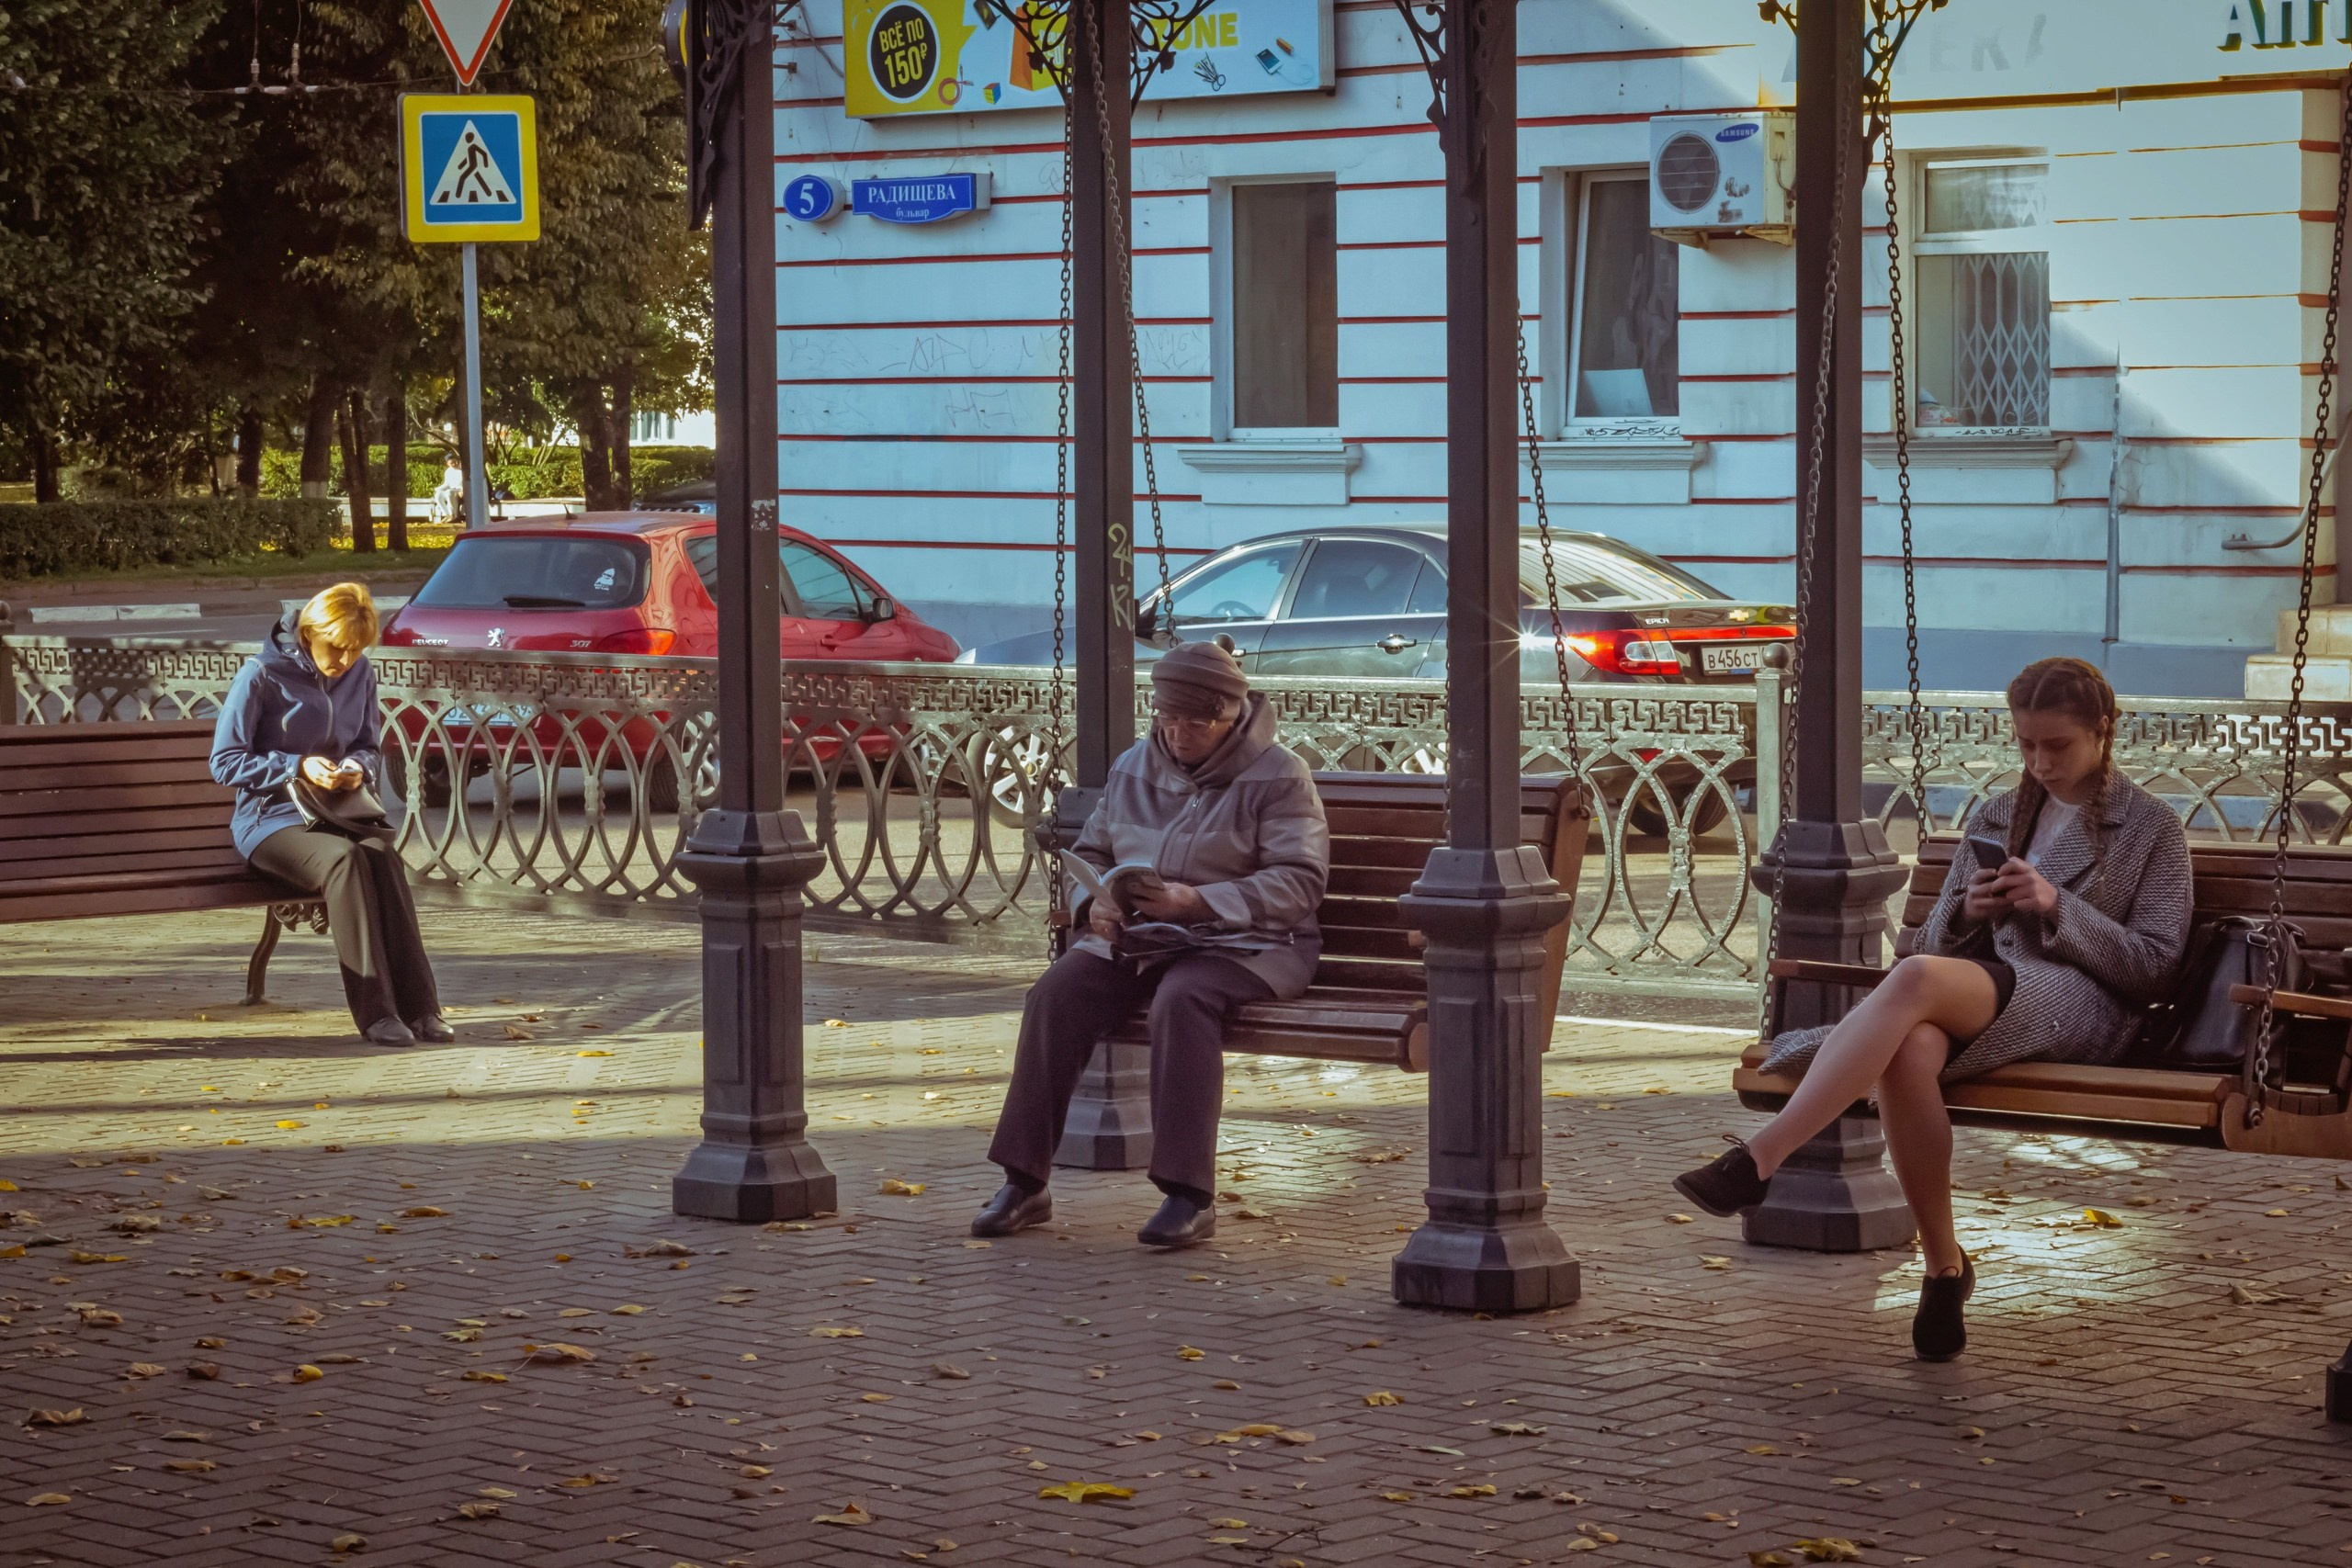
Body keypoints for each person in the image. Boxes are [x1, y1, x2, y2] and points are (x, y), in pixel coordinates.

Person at [1673, 657, 2191, 1361]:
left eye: (2058, 745)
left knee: (1915, 981)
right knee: (1911, 1047)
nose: (2039, 762)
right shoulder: (2000, 813)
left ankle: (1761, 1158)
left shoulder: (2151, 826)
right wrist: (1966, 910)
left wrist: (2055, 904)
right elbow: (1932, 939)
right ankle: (1945, 1269)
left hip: (2087, 1006)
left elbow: (2157, 964)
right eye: (2026, 744)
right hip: (1991, 988)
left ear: (2103, 731)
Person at [974, 642, 1330, 1248]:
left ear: (1230, 717)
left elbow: (1300, 880)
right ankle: (1024, 1181)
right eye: (1169, 718)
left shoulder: (1278, 774)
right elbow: (1092, 850)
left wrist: (1202, 901)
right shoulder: (1134, 765)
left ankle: (1187, 1194)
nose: (1180, 732)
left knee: (1183, 999)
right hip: (1145, 936)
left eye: (1198, 721)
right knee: (1055, 994)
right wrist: (1098, 904)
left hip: (1249, 943)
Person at [209, 583, 449, 1047]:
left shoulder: (359, 672)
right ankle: (377, 1014)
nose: (344, 660)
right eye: (336, 648)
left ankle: (422, 1008)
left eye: (355, 650)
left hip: (335, 812)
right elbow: (224, 761)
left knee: (380, 852)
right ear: (310, 632)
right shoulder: (261, 674)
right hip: (269, 822)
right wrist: (296, 766)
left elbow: (368, 744)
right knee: (346, 861)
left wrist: (357, 767)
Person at [431, 458, 465, 526]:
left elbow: (465, 482)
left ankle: (453, 515)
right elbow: (447, 484)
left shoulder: (462, 470)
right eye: (451, 463)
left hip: (459, 490)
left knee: (449, 492)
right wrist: (437, 489)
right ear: (448, 464)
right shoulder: (448, 471)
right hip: (451, 490)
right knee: (439, 494)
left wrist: (463, 490)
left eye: (455, 462)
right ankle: (447, 514)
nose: (454, 464)